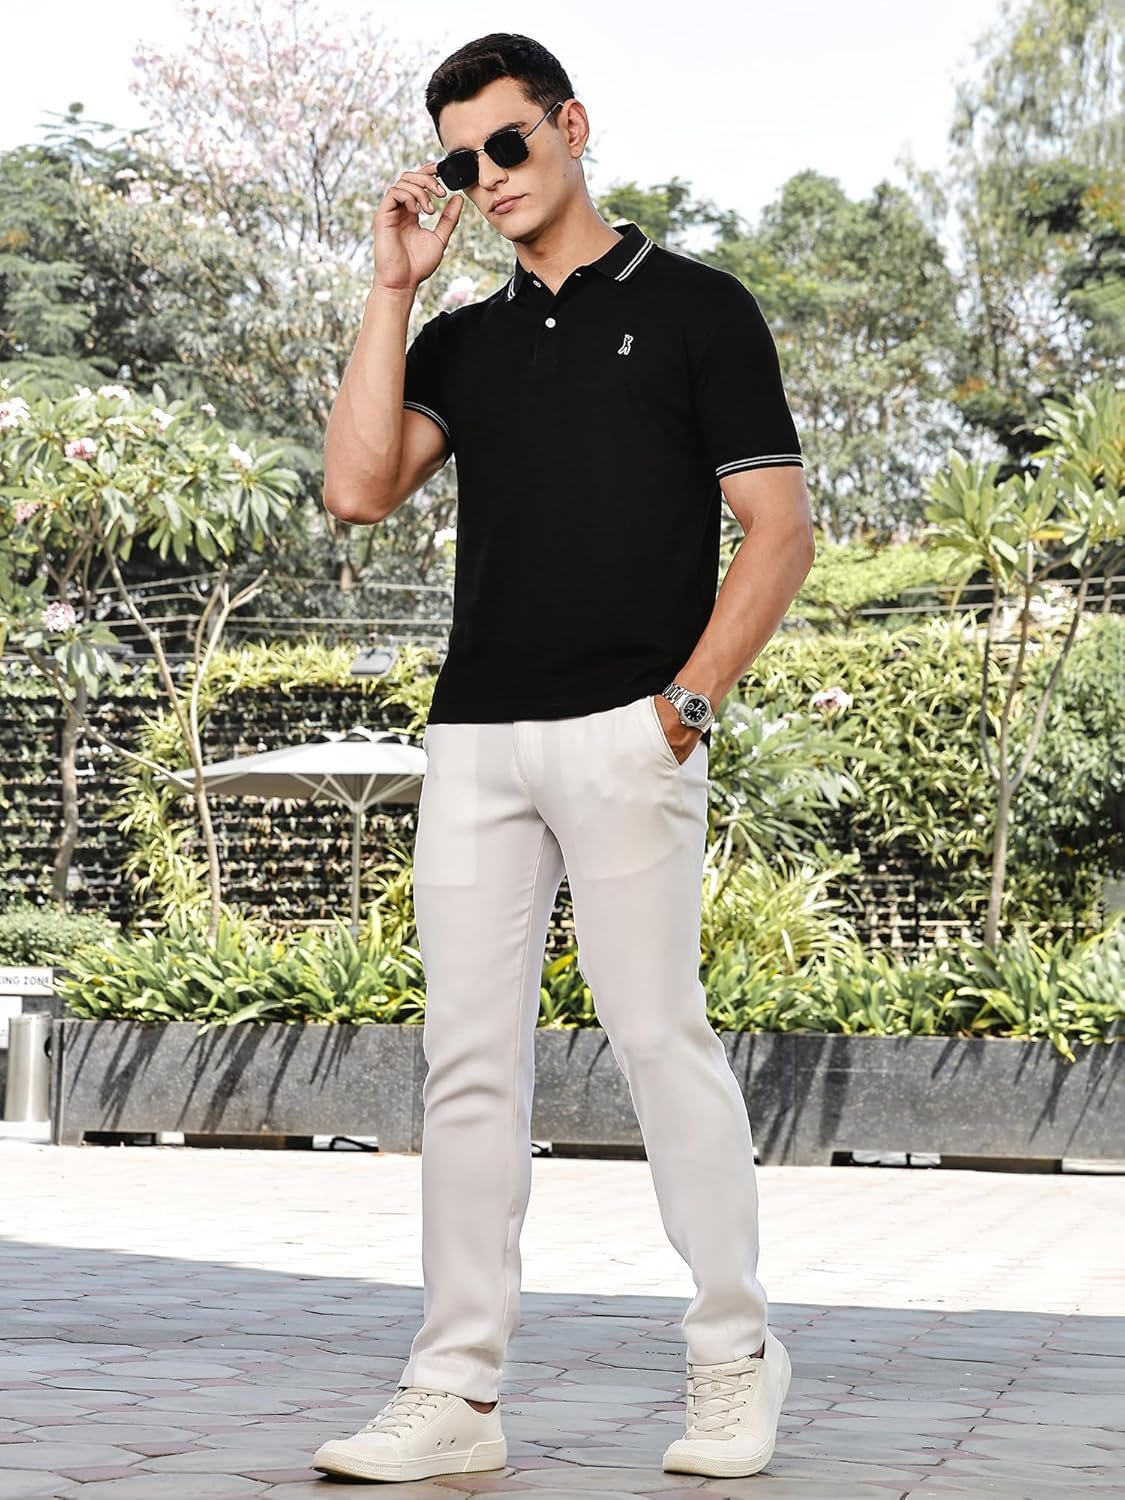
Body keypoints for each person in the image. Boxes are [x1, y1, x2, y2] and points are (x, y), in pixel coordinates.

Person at [314, 31, 814, 1488]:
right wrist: (394, 288)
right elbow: (355, 489)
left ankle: (733, 1355)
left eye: (508, 143)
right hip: (477, 736)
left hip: (629, 730)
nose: (487, 176)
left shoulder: (699, 308)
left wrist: (686, 708)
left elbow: (777, 531)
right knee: (467, 1065)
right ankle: (454, 1391)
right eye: (461, 159)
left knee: (658, 1039)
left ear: (572, 128)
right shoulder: (462, 340)